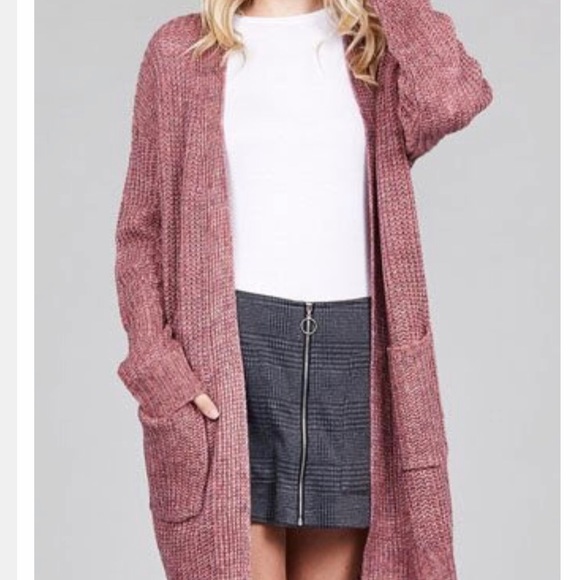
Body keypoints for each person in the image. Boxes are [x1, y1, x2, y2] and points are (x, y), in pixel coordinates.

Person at [114, 0, 493, 578]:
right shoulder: (180, 52)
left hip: (352, 355)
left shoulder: (373, 51)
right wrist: (156, 365)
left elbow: (453, 97)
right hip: (229, 357)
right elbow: (141, 231)